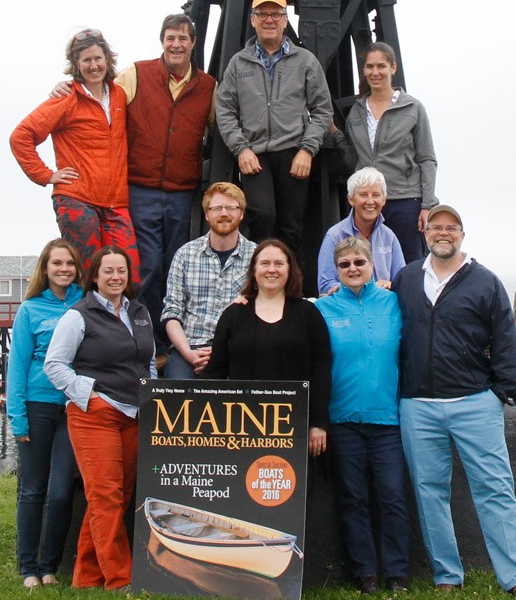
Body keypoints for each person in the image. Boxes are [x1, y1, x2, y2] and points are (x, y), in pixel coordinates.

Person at [391, 205, 516, 598]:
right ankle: (446, 575)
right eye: (436, 227)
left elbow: (506, 337)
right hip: (418, 404)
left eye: (451, 228)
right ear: (425, 232)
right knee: (429, 491)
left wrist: (503, 391)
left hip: (475, 402)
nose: (443, 233)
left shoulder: (485, 281)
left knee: (495, 489)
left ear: (462, 234)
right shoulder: (406, 278)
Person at [53, 14, 216, 357]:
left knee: (177, 265)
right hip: (140, 188)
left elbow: (223, 122)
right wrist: (64, 88)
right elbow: (99, 95)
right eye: (170, 37)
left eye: (183, 38)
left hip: (182, 189)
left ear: (193, 43)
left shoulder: (208, 87)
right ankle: (149, 341)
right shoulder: (136, 74)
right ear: (162, 41)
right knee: (146, 266)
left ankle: (175, 339)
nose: (176, 44)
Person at [43, 246, 157, 591]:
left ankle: (87, 576)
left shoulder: (140, 312)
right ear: (94, 276)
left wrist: (149, 392)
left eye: (121, 270)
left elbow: (147, 362)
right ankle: (120, 578)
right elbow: (54, 364)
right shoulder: (79, 315)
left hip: (134, 414)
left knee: (117, 497)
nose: (115, 277)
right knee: (105, 495)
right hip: (96, 415)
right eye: (108, 271)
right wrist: (86, 394)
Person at [315, 237, 409, 594]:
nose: (353, 269)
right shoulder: (324, 310)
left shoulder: (394, 303)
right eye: (345, 265)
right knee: (352, 498)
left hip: (386, 419)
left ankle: (397, 572)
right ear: (336, 270)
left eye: (359, 262)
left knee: (392, 497)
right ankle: (365, 572)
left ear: (372, 265)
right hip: (342, 421)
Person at [215, 0, 333, 262]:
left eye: (276, 14)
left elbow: (322, 109)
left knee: (292, 228)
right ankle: (258, 286)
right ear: (253, 20)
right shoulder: (238, 63)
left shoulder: (305, 61)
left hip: (294, 154)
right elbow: (225, 110)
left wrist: (307, 149)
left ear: (285, 19)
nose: (269, 20)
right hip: (254, 157)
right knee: (262, 217)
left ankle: (291, 295)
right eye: (263, 14)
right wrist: (241, 148)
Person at [10, 29, 139, 275]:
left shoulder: (119, 94)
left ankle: (120, 315)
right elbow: (21, 136)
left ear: (107, 60)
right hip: (78, 199)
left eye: (98, 58)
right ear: (76, 65)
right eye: (86, 60)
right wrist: (46, 175)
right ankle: (77, 315)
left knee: (127, 273)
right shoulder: (67, 97)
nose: (93, 66)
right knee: (87, 275)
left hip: (115, 203)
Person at [201, 239, 332, 457]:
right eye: (265, 263)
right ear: (254, 269)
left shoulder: (308, 313)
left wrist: (318, 423)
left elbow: (321, 371)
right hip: (242, 429)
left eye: (279, 263)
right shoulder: (233, 314)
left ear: (290, 269)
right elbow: (216, 371)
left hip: (295, 426)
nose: (272, 269)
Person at [5, 239, 84, 589]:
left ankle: (50, 565)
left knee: (62, 491)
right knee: (33, 490)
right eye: (57, 264)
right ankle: (28, 567)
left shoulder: (86, 303)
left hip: (72, 408)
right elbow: (17, 366)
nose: (64, 269)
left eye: (69, 263)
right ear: (46, 268)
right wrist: (17, 417)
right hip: (36, 407)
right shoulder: (30, 310)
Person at [337, 42, 437, 263]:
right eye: (369, 67)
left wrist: (427, 205)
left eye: (381, 66)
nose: (375, 72)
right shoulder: (356, 111)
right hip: (368, 202)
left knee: (410, 265)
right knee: (367, 264)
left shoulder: (413, 108)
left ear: (393, 68)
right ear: (363, 70)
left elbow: (427, 158)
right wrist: (335, 133)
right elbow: (356, 158)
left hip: (404, 200)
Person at [160, 182, 257, 379]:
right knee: (176, 394)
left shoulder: (257, 256)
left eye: (231, 208)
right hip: (190, 347)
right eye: (216, 208)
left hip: (237, 348)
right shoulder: (185, 254)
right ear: (206, 214)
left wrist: (221, 353)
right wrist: (189, 354)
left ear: (241, 213)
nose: (224, 213)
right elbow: (172, 313)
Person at [316, 166, 406, 295]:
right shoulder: (334, 236)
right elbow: (325, 285)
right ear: (351, 199)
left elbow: (402, 281)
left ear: (384, 200)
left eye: (376, 195)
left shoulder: (389, 236)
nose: (370, 201)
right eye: (363, 195)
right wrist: (364, 289)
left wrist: (391, 285)